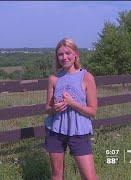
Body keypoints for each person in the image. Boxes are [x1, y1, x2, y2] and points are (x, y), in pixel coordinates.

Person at [44, 38, 98, 180]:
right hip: (55, 131)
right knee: (57, 175)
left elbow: (93, 111)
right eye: (60, 54)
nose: (64, 57)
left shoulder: (86, 77)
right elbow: (48, 108)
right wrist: (54, 109)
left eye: (68, 53)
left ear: (76, 54)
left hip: (79, 131)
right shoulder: (53, 78)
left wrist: (72, 103)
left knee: (89, 177)